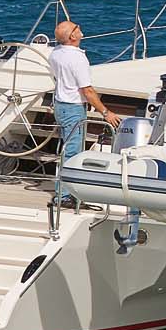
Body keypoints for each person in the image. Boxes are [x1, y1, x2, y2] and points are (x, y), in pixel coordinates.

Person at [48, 21, 115, 204]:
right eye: (76, 27)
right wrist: (106, 113)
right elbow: (88, 91)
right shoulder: (77, 59)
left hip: (60, 105)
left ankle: (67, 191)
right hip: (73, 109)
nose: (79, 28)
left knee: (68, 149)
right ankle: (63, 196)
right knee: (72, 153)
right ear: (72, 36)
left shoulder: (55, 53)